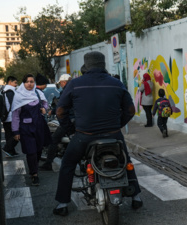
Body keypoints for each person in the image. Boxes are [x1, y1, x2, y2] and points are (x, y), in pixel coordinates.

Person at [53, 51, 142, 216]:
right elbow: (130, 109)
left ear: (86, 66)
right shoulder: (116, 83)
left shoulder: (74, 84)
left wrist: (70, 129)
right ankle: (136, 196)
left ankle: (62, 203)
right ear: (103, 65)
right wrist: (117, 124)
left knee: (67, 164)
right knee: (125, 160)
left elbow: (60, 111)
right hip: (113, 135)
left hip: (84, 136)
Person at [12, 73, 52, 186]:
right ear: (23, 83)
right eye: (27, 82)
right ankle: (34, 174)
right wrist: (15, 131)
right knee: (31, 152)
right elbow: (15, 115)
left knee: (39, 150)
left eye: (32, 82)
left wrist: (44, 108)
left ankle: (35, 167)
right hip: (26, 129)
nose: (29, 84)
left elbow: (45, 104)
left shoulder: (38, 93)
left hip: (39, 126)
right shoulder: (18, 96)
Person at [40, 74, 72, 171]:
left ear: (64, 82)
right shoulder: (74, 88)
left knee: (53, 140)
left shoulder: (65, 91)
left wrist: (53, 111)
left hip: (67, 121)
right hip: (76, 120)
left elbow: (61, 106)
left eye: (61, 83)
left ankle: (48, 163)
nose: (61, 85)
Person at [2, 76, 19, 157]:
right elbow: (14, 105)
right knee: (16, 135)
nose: (16, 85)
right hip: (11, 117)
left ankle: (11, 151)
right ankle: (6, 148)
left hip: (5, 117)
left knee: (9, 135)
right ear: (10, 82)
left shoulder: (4, 90)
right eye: (15, 82)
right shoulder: (10, 91)